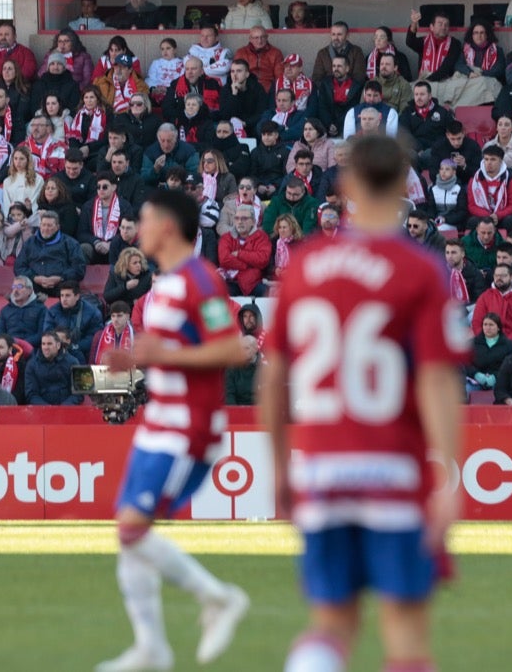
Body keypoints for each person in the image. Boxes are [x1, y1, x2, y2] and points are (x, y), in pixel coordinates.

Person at [260, 135, 466, 672]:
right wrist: (450, 473)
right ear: (403, 186)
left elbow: (273, 375)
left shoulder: (304, 266)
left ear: (346, 185)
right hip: (393, 469)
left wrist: (279, 466)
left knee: (330, 623)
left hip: (323, 467)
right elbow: (437, 379)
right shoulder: (421, 269)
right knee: (403, 628)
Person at [92, 186, 249, 672]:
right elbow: (164, 356)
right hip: (157, 422)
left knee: (134, 527)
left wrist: (162, 354)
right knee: (128, 531)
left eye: (144, 215)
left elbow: (233, 349)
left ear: (167, 226)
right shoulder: (163, 284)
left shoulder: (202, 280)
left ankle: (218, 597)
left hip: (188, 427)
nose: (137, 225)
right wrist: (139, 363)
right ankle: (151, 647)